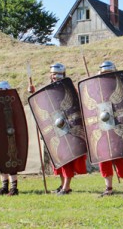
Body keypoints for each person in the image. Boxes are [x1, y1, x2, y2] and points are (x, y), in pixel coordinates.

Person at [95, 61, 123, 199]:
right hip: (103, 126)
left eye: (108, 73)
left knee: (121, 157)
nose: (106, 76)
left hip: (118, 125)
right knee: (104, 159)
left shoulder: (120, 86)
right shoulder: (98, 88)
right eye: (104, 73)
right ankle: (108, 188)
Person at [44, 63, 87, 195]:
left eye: (58, 74)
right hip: (56, 128)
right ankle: (62, 184)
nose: (55, 76)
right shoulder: (48, 90)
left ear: (63, 74)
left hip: (68, 128)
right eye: (53, 73)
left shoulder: (69, 88)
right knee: (60, 158)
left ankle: (66, 187)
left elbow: (77, 105)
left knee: (67, 159)